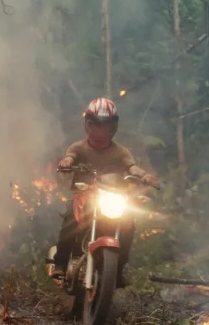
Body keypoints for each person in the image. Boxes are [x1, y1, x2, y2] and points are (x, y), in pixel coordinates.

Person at [52, 97, 157, 287]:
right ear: (88, 124)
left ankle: (117, 269)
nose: (100, 129)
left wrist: (144, 175)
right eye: (96, 124)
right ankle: (60, 262)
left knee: (128, 225)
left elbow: (132, 167)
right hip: (84, 197)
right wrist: (67, 162)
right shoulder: (78, 147)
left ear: (113, 126)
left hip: (111, 197)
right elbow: (70, 156)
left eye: (105, 124)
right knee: (69, 218)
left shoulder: (121, 152)